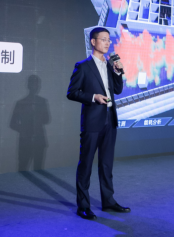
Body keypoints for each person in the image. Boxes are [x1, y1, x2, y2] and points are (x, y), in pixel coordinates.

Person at [67, 27, 131, 220]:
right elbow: (72, 92)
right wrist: (93, 97)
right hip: (92, 122)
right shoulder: (83, 66)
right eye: (103, 39)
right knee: (86, 164)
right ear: (93, 42)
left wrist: (118, 73)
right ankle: (83, 206)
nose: (107, 43)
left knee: (106, 164)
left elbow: (117, 90)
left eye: (108, 40)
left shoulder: (110, 65)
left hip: (110, 120)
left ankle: (108, 201)